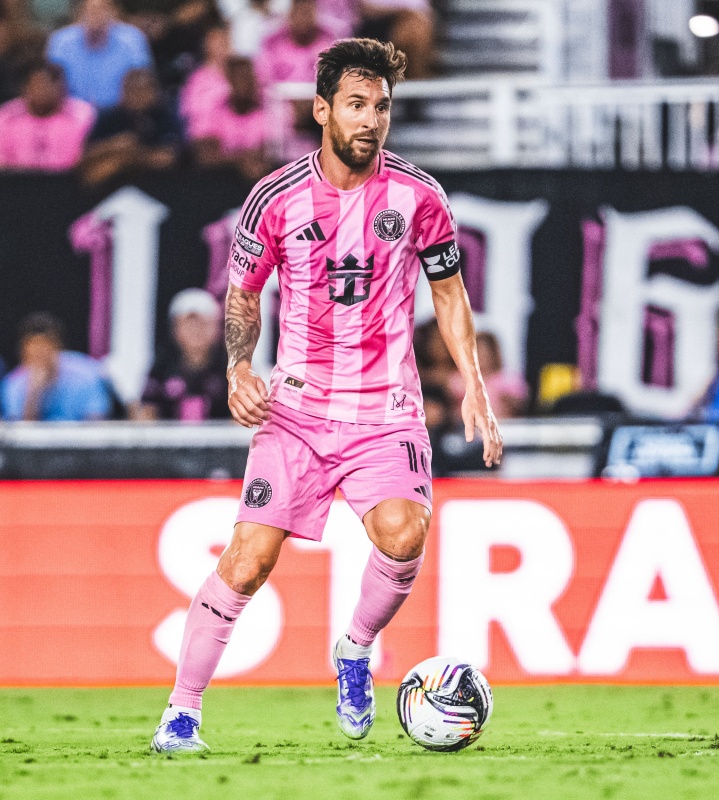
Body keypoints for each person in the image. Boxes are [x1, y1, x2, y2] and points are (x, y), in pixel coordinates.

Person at [150, 36, 502, 753]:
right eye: (355, 104)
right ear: (322, 110)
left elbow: (449, 291)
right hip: (298, 411)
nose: (371, 119)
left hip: (385, 408)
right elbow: (243, 295)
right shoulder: (274, 199)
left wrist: (475, 388)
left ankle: (354, 649)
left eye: (382, 106)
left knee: (405, 534)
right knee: (248, 557)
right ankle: (181, 712)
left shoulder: (419, 197)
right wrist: (238, 370)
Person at [133, 288, 229, 421]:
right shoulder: (161, 367)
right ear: (175, 328)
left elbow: (246, 420)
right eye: (189, 324)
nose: (196, 331)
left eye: (203, 324)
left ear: (217, 328)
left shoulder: (233, 369)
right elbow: (145, 413)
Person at [0, 312, 111, 421]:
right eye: (34, 349)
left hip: (79, 438)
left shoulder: (85, 373)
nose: (40, 353)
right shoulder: (13, 384)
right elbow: (20, 432)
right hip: (37, 439)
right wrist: (33, 394)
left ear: (58, 346)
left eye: (44, 347)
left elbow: (97, 422)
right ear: (23, 352)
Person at [80, 67, 182, 184]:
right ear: (122, 92)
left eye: (142, 90)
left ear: (155, 92)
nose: (137, 96)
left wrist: (127, 156)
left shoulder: (165, 116)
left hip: (159, 185)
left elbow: (167, 158)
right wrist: (113, 145)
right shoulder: (109, 117)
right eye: (131, 90)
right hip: (112, 189)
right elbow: (86, 158)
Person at [46, 0, 152, 109]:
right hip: (72, 116)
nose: (96, 15)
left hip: (121, 114)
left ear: (114, 12)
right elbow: (51, 83)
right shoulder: (60, 41)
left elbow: (142, 83)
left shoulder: (132, 39)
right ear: (80, 13)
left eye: (102, 9)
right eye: (91, 10)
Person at [189, 55, 274, 180]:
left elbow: (270, 156)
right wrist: (240, 160)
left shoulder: (270, 116)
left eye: (247, 78)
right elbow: (205, 155)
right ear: (228, 81)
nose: (243, 84)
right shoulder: (215, 113)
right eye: (238, 78)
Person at [0, 59, 95, 171]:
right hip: (14, 183)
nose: (47, 89)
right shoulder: (7, 117)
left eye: (53, 83)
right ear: (26, 88)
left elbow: (84, 162)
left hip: (67, 183)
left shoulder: (83, 116)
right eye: (40, 83)